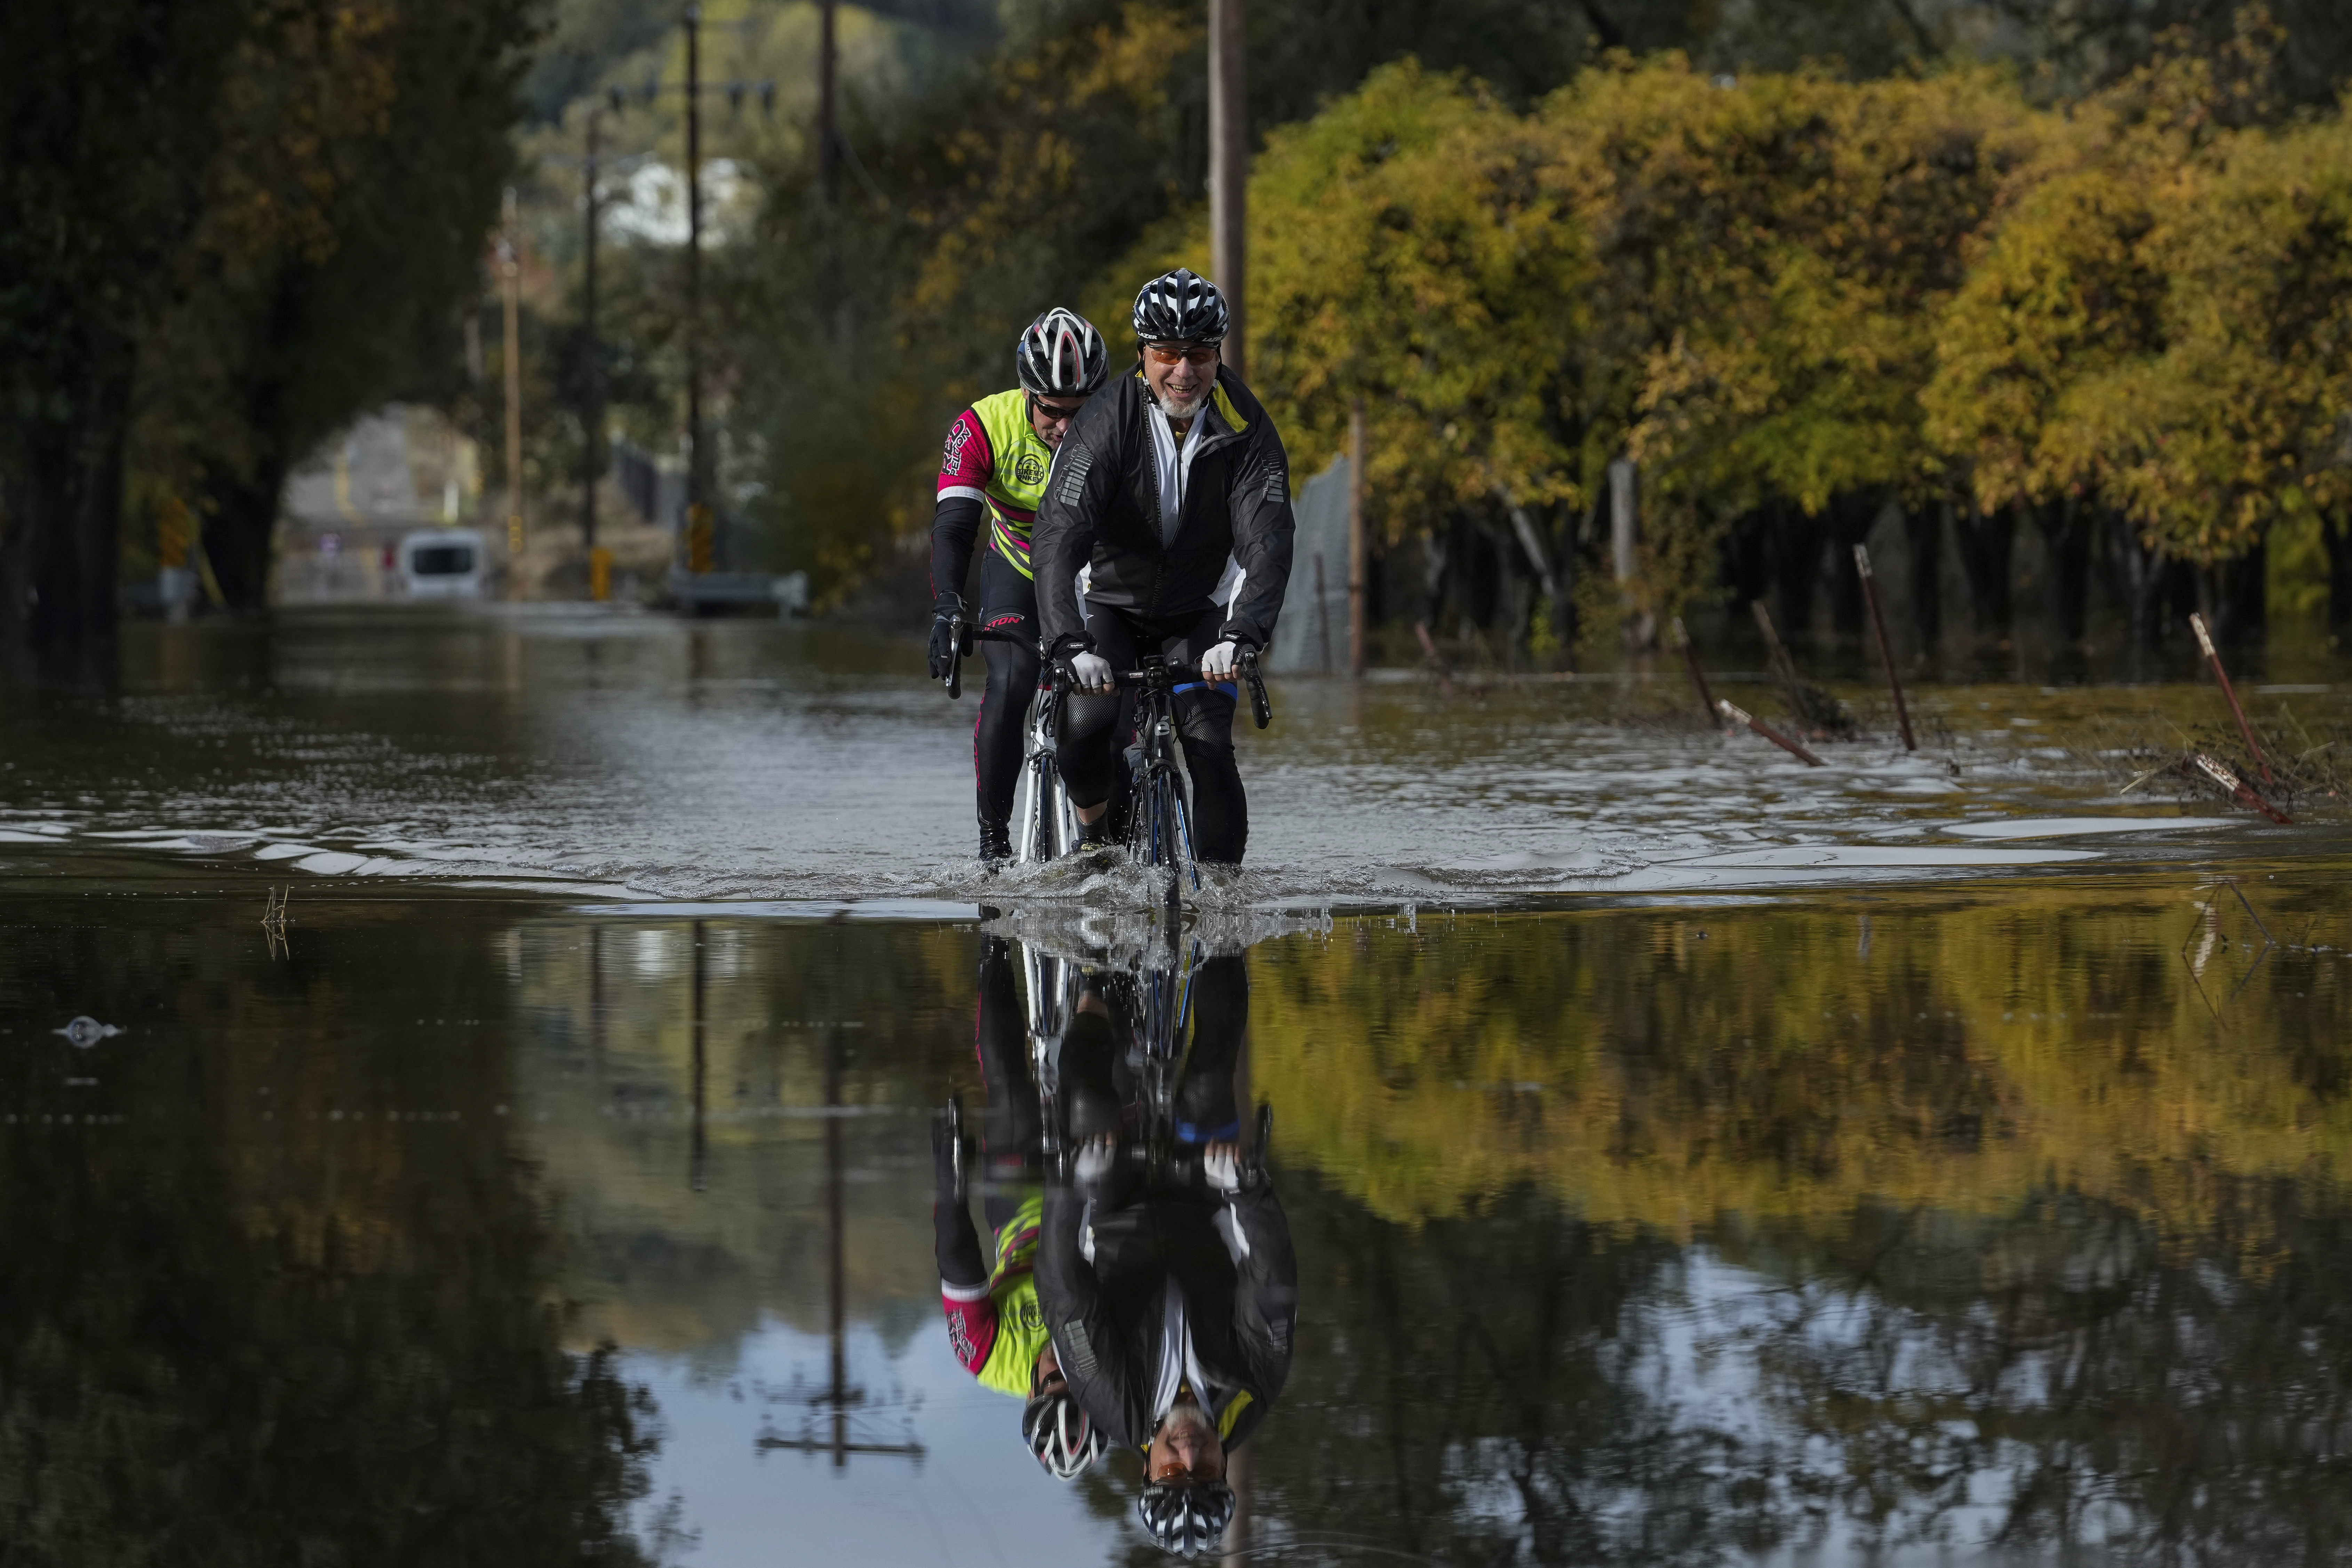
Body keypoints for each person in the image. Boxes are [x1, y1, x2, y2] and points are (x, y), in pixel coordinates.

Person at [1032, 952, 1296, 1559]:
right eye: (1202, 1471)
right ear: (1223, 1466)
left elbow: (1063, 1288)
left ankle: (1097, 977)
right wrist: (1245, 1190)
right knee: (1207, 1081)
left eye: (1174, 1471)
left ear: (1147, 1471)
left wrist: (1073, 1186)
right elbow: (1272, 1281)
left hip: (1116, 1211)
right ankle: (1221, 908)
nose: (1187, 1455)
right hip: (1202, 1203)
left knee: (1088, 1105)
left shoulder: (1110, 1399)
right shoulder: (1253, 1388)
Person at [1030, 269, 1296, 864]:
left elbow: (1268, 539)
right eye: (1168, 354)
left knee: (1208, 745)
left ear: (1218, 354)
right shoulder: (1104, 420)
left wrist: (1242, 633)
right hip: (1110, 606)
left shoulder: (1247, 425)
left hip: (1200, 612)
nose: (1184, 371)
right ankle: (1096, 837)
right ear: (1144, 354)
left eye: (1199, 354)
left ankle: (1222, 917)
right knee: (1089, 725)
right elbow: (1058, 535)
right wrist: (1068, 643)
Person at [928, 308, 1111, 862]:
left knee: (1111, 702)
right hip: (1020, 568)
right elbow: (956, 527)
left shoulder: (1122, 426)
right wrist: (948, 607)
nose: (1064, 428)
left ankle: (1109, 826)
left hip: (1096, 573)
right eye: (1052, 412)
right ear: (1026, 393)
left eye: (1079, 414)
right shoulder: (982, 426)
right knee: (1011, 686)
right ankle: (994, 843)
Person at [931, 934, 1106, 1479]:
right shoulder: (1112, 1363)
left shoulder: (986, 1360)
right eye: (1074, 1381)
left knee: (1007, 1086)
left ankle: (994, 941)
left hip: (1022, 1211)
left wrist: (950, 1181)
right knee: (1101, 1091)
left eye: (1052, 1381)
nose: (1061, 1369)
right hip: (1088, 1208)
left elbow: (959, 1262)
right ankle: (1104, 982)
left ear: (1030, 1391)